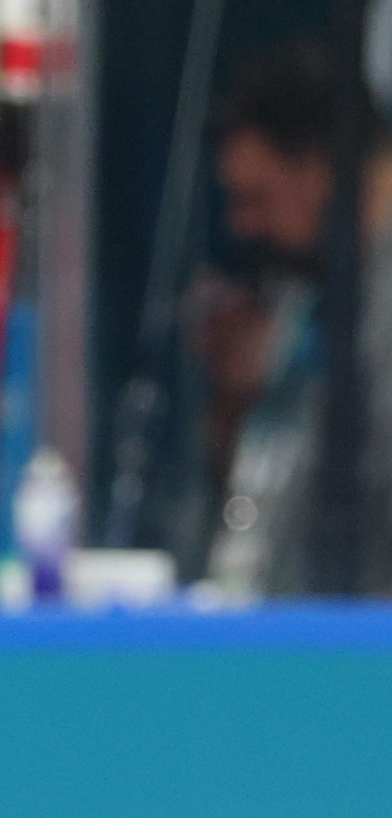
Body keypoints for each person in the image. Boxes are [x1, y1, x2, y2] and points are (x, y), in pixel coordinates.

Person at [178, 42, 392, 593]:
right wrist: (240, 403)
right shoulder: (341, 298)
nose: (245, 226)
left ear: (323, 170)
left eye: (258, 198)